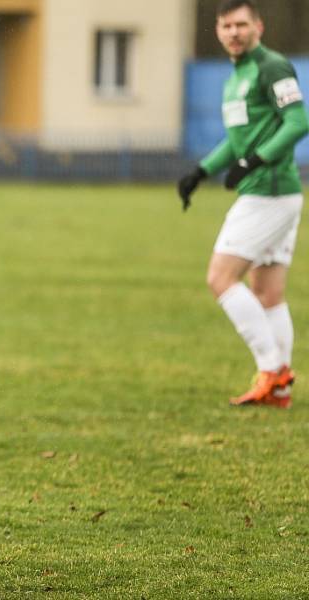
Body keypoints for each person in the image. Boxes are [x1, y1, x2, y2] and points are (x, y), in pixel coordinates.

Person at [177, 0, 308, 408]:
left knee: (220, 277)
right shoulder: (234, 77)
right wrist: (201, 171)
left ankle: (272, 369)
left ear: (258, 27)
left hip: (267, 190)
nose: (233, 32)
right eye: (226, 26)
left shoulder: (271, 67)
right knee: (267, 292)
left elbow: (299, 122)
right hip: (273, 193)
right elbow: (236, 143)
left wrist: (256, 160)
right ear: (218, 31)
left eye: (241, 25)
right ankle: (279, 390)